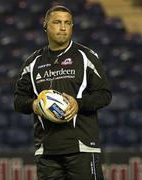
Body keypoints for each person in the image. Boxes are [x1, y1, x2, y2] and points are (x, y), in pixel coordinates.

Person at [14, 5, 112, 180]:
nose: (63, 27)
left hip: (82, 148)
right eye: (57, 22)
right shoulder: (32, 62)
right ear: (45, 25)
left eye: (68, 23)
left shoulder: (86, 56)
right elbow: (19, 100)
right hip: (47, 151)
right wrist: (34, 105)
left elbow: (104, 95)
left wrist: (78, 104)